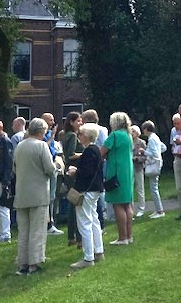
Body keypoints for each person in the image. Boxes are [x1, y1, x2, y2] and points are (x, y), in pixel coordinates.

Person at [13, 117, 55, 275]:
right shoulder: (42, 145)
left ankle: (22, 263)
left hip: (22, 192)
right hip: (38, 193)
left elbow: (15, 168)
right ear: (42, 131)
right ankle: (34, 263)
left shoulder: (19, 146)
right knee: (37, 230)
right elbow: (49, 169)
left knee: (23, 231)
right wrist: (58, 166)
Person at [68, 123, 104, 269]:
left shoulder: (89, 151)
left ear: (88, 136)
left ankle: (88, 258)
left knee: (84, 223)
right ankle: (98, 251)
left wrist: (75, 172)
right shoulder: (95, 150)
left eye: (81, 134)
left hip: (86, 190)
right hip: (95, 189)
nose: (79, 136)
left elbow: (87, 172)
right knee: (93, 220)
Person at [100, 112, 133, 245]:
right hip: (127, 171)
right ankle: (129, 236)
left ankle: (122, 237)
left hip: (116, 171)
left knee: (118, 204)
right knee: (127, 204)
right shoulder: (128, 135)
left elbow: (101, 152)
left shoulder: (114, 135)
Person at [62, 111, 83, 247]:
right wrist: (84, 154)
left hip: (68, 172)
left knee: (72, 203)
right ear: (71, 122)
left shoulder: (66, 135)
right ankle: (78, 237)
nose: (80, 123)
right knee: (77, 203)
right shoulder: (73, 135)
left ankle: (71, 236)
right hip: (73, 171)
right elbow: (70, 155)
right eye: (78, 121)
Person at [41, 113, 64, 235]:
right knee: (48, 197)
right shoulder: (42, 135)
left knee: (52, 197)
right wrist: (53, 135)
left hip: (54, 166)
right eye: (50, 120)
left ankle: (51, 222)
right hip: (46, 168)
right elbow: (45, 147)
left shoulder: (49, 133)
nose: (53, 122)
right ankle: (48, 224)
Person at [141, 120, 166, 219]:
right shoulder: (155, 137)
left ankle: (160, 210)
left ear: (146, 129)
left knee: (154, 188)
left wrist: (145, 152)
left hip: (154, 164)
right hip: (158, 163)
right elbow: (163, 148)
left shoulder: (151, 139)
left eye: (144, 129)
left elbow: (154, 153)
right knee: (154, 188)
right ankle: (158, 209)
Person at [130, 125, 146, 217]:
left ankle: (141, 209)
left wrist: (137, 158)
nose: (131, 133)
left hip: (138, 167)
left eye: (133, 131)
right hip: (130, 168)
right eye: (131, 131)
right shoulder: (129, 143)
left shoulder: (141, 143)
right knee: (130, 189)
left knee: (140, 188)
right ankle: (130, 209)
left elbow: (145, 156)